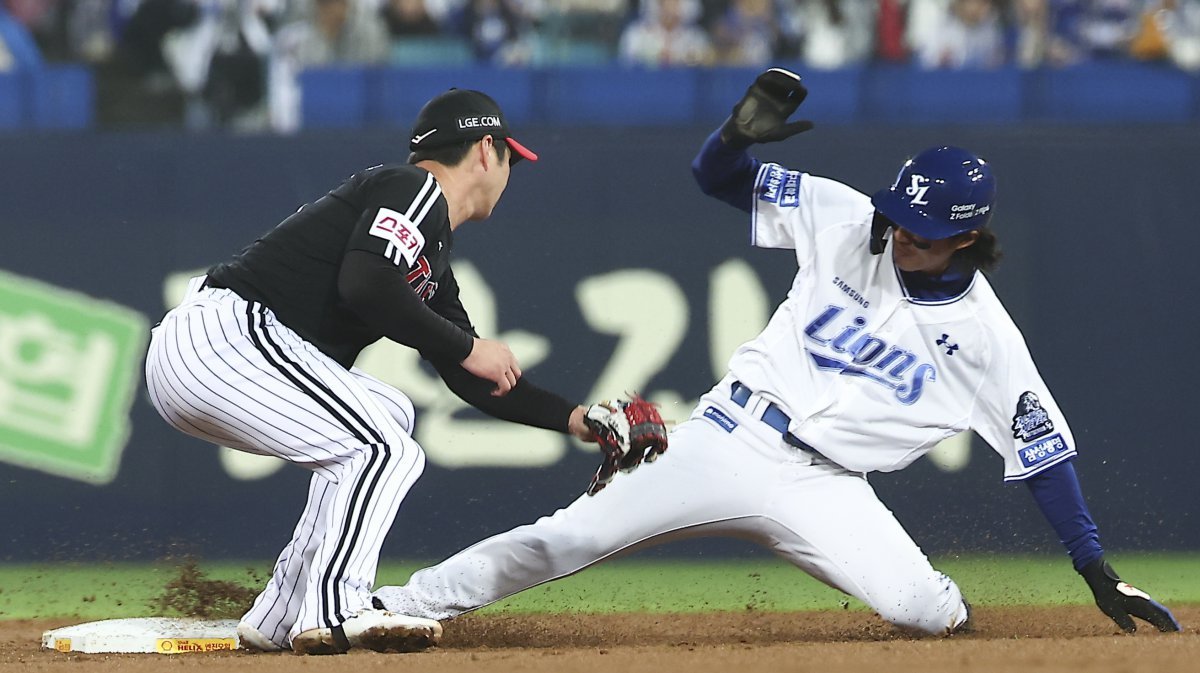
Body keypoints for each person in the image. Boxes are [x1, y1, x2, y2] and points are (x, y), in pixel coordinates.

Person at [371, 68, 1183, 638]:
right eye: (899, 213)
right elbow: (715, 178)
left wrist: (1093, 566)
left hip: (827, 486)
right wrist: (732, 137)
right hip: (727, 438)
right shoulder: (846, 217)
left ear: (968, 236)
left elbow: (1044, 454)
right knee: (565, 539)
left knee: (926, 613)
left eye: (922, 230)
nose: (899, 232)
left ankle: (943, 604)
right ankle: (396, 601)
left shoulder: (986, 336)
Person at [145, 88, 619, 654]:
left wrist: (577, 419)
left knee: (389, 419)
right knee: (382, 451)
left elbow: (467, 375)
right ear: (485, 150)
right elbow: (366, 284)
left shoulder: (430, 257)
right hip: (223, 340)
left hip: (219, 355)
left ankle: (281, 613)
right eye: (510, 158)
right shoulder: (415, 189)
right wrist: (470, 348)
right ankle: (338, 607)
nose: (510, 172)